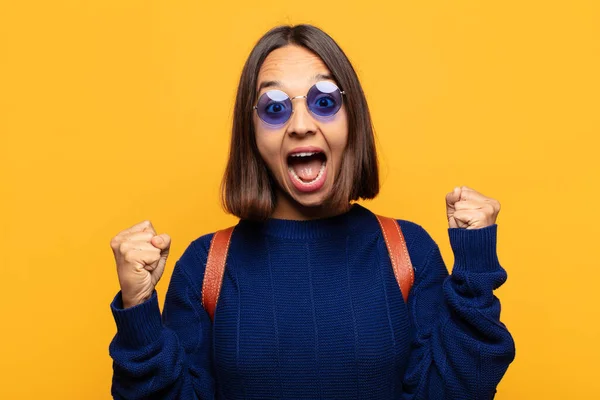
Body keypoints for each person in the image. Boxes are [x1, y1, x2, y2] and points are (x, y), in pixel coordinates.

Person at [108, 24, 515, 399]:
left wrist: (474, 273)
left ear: (352, 119)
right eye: (274, 108)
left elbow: (457, 391)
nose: (301, 125)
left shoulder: (409, 252)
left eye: (324, 101)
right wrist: (138, 309)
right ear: (251, 135)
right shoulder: (205, 266)